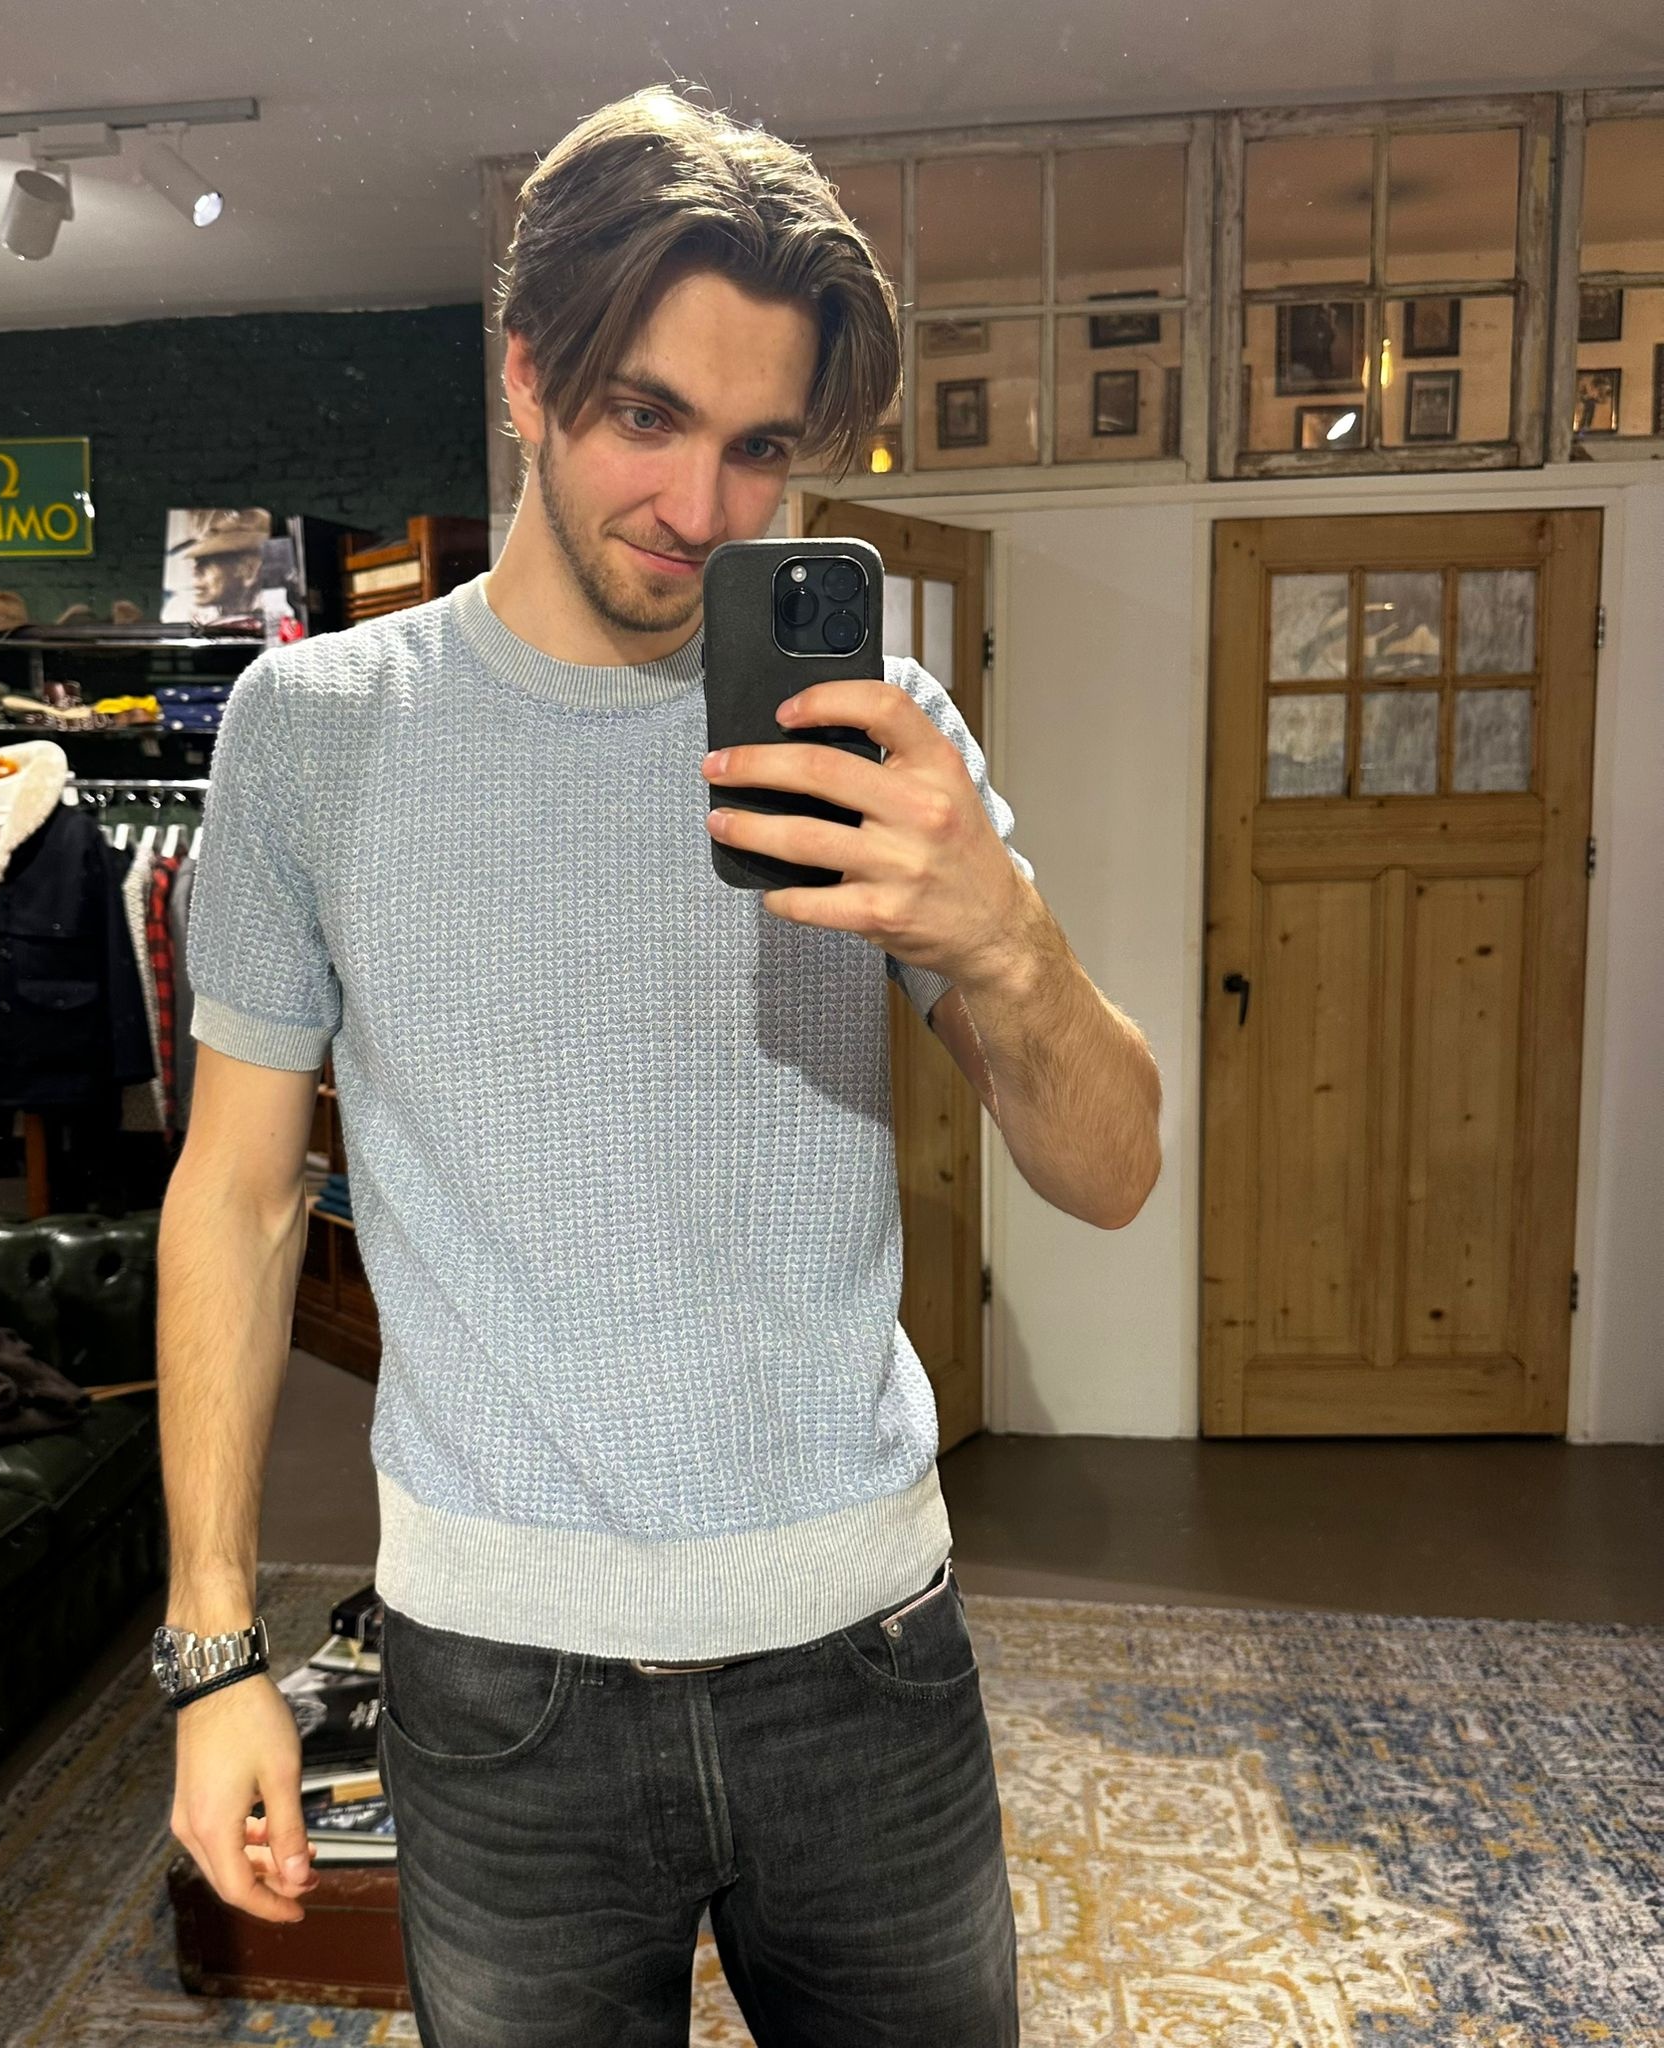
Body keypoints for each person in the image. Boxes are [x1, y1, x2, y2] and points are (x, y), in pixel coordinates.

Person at [157, 84, 1161, 2047]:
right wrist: (213, 1658)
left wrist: (999, 933)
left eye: (760, 446)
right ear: (528, 375)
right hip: (495, 1681)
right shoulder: (314, 731)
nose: (703, 509)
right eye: (646, 416)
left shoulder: (874, 731)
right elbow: (239, 1197)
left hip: (864, 1654)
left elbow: (1113, 1171)